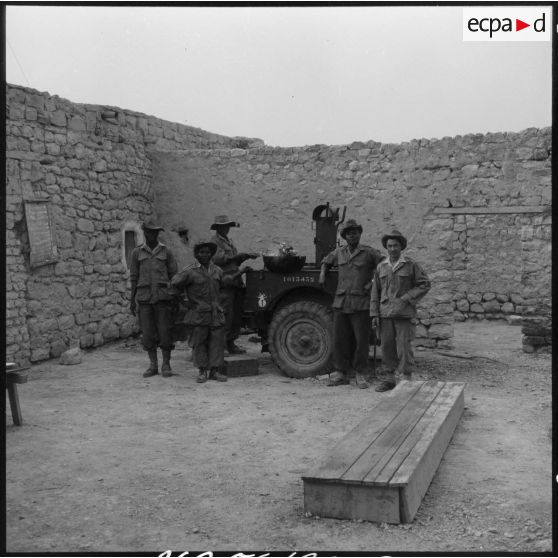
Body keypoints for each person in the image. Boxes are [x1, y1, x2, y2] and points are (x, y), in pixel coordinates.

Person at [171, 240, 252, 383]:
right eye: (202, 252)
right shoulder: (190, 270)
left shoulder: (217, 270)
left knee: (217, 342)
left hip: (215, 313)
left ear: (212, 254)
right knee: (200, 342)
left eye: (208, 252)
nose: (205, 255)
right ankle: (202, 371)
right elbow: (174, 284)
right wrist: (184, 301)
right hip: (199, 313)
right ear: (196, 254)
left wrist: (240, 272)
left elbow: (225, 281)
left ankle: (214, 371)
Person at [319, 219, 383, 389]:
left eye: (355, 232)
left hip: (361, 303)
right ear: (345, 236)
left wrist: (372, 283)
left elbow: (384, 266)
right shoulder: (339, 252)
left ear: (359, 234)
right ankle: (341, 372)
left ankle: (361, 373)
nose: (352, 235)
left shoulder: (369, 252)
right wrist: (323, 273)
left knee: (361, 341)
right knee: (339, 339)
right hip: (341, 302)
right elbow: (326, 260)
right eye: (349, 233)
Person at [370, 229, 431, 392]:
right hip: (385, 314)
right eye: (389, 246)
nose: (392, 249)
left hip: (404, 314)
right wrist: (374, 314)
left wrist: (407, 298)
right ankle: (389, 379)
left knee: (403, 347)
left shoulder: (411, 265)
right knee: (387, 347)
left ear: (401, 247)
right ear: (386, 247)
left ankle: (406, 379)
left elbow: (424, 284)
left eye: (395, 245)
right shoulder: (381, 267)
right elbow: (375, 291)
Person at [130, 220, 178, 378]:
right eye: (150, 232)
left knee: (165, 332)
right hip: (144, 299)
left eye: (156, 232)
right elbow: (134, 278)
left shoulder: (167, 251)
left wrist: (175, 297)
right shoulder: (137, 253)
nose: (153, 235)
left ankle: (166, 364)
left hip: (163, 298)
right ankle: (153, 364)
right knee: (148, 333)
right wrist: (132, 299)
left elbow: (174, 276)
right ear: (144, 232)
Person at [210, 215, 259, 355]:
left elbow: (233, 262)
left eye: (227, 226)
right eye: (223, 226)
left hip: (235, 280)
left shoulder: (229, 241)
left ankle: (231, 342)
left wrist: (244, 257)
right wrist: (237, 257)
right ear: (218, 228)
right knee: (225, 314)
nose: (226, 229)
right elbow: (219, 259)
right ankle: (222, 344)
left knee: (236, 314)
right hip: (224, 281)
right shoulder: (214, 242)